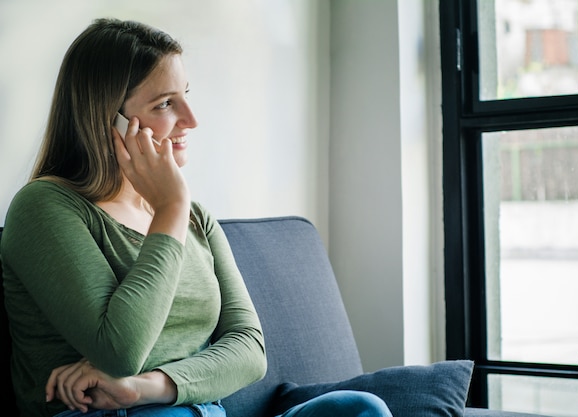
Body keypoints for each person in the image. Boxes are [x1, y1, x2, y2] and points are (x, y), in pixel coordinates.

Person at [0, 18, 392, 417]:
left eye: (185, 95)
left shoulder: (197, 218)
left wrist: (145, 386)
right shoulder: (46, 207)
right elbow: (119, 350)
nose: (191, 119)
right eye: (165, 103)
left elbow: (250, 350)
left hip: (192, 410)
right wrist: (170, 208)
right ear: (108, 120)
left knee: (361, 408)